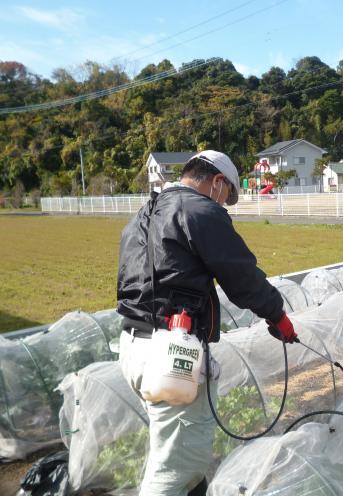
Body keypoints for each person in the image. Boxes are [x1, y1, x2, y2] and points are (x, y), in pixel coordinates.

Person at [116, 150, 297, 496]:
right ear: (217, 183)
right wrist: (279, 317)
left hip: (135, 346)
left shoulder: (143, 215)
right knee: (175, 470)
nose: (223, 206)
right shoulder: (200, 210)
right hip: (174, 353)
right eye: (226, 198)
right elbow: (242, 278)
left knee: (177, 454)